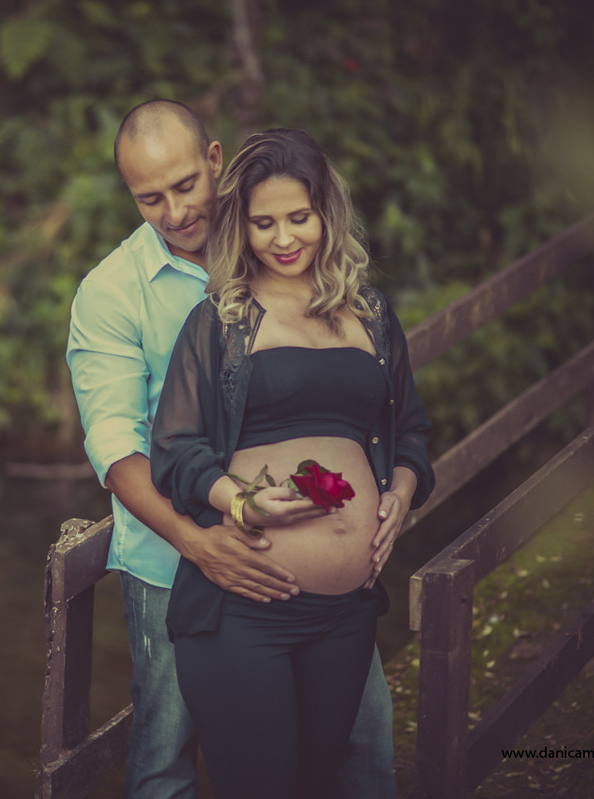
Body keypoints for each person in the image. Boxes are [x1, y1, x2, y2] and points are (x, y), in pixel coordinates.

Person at [67, 101, 408, 798]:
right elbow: (118, 447)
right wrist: (198, 541)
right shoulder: (111, 292)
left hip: (325, 592)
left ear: (215, 160)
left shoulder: (274, 229)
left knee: (363, 746)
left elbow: (372, 402)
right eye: (149, 197)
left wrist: (393, 488)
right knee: (167, 756)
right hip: (171, 562)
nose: (174, 210)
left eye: (186, 184)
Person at [148, 127, 435, 797]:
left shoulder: (371, 315)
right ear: (241, 228)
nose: (283, 239)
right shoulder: (220, 322)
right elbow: (176, 451)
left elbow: (412, 428)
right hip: (244, 608)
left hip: (346, 613)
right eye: (263, 223)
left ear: (326, 214)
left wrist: (399, 491)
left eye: (298, 218)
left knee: (315, 784)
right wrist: (240, 501)